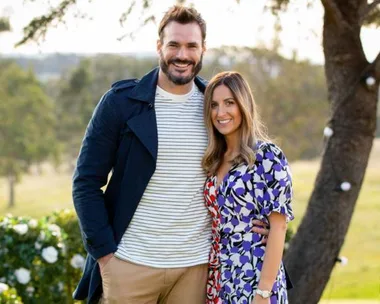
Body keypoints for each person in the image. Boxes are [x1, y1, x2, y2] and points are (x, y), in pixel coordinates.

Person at [72, 5, 269, 304]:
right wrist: (106, 255)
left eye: (192, 46)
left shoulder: (215, 108)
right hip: (129, 265)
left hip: (196, 269)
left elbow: (246, 171)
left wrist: (262, 221)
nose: (182, 55)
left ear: (203, 49)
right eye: (174, 44)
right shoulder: (121, 104)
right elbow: (86, 182)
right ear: (159, 46)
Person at [202, 71, 294, 304]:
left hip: (255, 278)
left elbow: (279, 227)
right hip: (219, 279)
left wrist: (263, 293)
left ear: (243, 105)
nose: (220, 113)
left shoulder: (267, 157)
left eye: (229, 103)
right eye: (214, 105)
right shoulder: (213, 160)